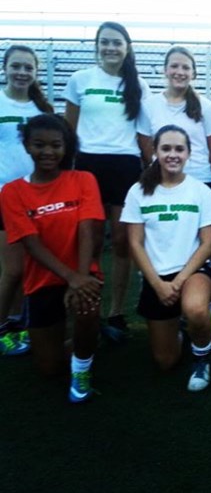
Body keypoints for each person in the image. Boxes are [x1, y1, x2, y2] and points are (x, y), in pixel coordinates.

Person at [0, 114, 104, 402]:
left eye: (56, 145)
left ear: (65, 147)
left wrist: (81, 277)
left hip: (83, 274)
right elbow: (30, 243)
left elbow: (88, 230)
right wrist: (71, 278)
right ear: (27, 146)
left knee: (87, 305)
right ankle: (75, 340)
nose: (48, 152)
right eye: (39, 145)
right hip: (42, 281)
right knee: (49, 368)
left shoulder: (83, 179)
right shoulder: (12, 191)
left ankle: (82, 367)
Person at [64, 21, 150, 340]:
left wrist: (149, 169)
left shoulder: (138, 85)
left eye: (117, 43)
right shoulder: (80, 79)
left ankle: (116, 312)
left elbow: (143, 134)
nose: (110, 48)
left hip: (125, 165)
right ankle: (91, 310)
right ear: (97, 46)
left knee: (123, 241)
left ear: (127, 48)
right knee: (91, 239)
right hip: (87, 166)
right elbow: (69, 129)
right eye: (105, 42)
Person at [121, 125, 211, 392]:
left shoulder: (200, 191)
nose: (172, 154)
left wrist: (178, 281)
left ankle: (202, 357)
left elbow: (208, 244)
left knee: (196, 309)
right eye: (166, 148)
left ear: (188, 153)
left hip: (193, 271)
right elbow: (135, 243)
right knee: (165, 361)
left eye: (179, 149)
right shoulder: (138, 191)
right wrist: (158, 284)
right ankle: (179, 328)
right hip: (156, 278)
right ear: (155, 152)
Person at [0, 45, 54, 353]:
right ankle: (4, 325)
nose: (21, 72)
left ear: (35, 72)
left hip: (36, 197)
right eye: (16, 66)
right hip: (3, 196)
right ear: (5, 68)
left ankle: (20, 324)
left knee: (33, 266)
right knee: (13, 269)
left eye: (28, 67)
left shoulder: (40, 109)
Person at [138, 46, 211, 188]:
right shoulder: (149, 106)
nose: (179, 72)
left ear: (193, 73)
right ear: (165, 70)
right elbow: (146, 149)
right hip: (162, 180)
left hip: (199, 179)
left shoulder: (206, 107)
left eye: (185, 68)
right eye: (174, 66)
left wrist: (197, 171)